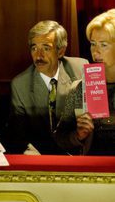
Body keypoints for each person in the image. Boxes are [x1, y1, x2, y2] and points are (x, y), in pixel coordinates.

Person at [7, 20, 88, 155]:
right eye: (34, 48)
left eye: (46, 48)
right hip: (42, 157)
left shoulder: (81, 70)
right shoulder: (20, 85)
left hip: (79, 152)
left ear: (61, 51)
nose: (38, 56)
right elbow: (18, 134)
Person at [55, 10, 115, 155]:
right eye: (93, 44)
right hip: (92, 171)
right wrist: (78, 135)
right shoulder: (79, 87)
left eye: (103, 45)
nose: (96, 51)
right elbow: (60, 138)